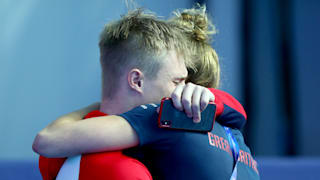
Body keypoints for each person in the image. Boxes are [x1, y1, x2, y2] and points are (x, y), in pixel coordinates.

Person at [33, 6, 259, 180]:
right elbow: (239, 112)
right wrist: (216, 99)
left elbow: (47, 140)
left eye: (181, 82)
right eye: (176, 81)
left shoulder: (169, 116)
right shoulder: (232, 130)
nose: (179, 91)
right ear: (136, 80)